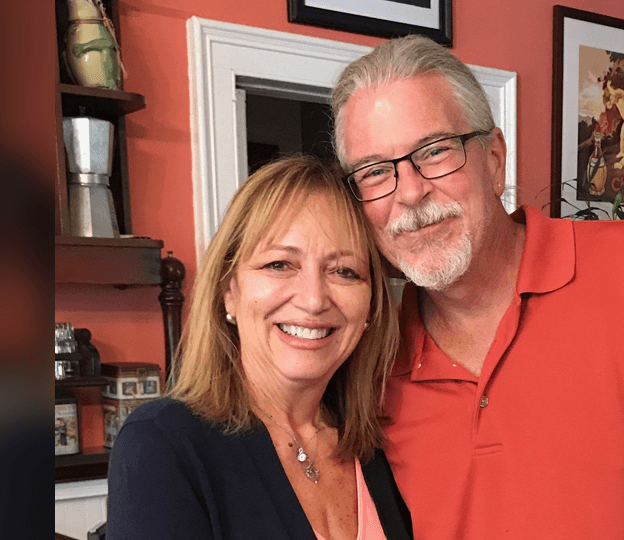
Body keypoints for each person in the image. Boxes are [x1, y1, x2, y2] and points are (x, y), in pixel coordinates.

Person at [331, 35, 624, 539]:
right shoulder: (369, 369)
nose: (411, 192)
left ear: (494, 159)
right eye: (376, 172)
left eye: (436, 151)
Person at [106, 156, 412, 540]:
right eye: (280, 264)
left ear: (370, 308)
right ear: (228, 291)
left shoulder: (375, 447)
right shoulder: (162, 445)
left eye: (344, 271)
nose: (315, 299)